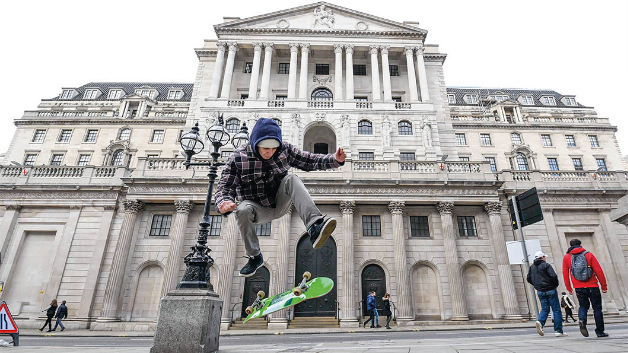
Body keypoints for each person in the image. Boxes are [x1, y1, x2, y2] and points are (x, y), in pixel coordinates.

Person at [216, 118, 346, 277]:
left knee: (292, 179)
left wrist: (334, 160)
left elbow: (308, 160)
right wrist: (224, 201)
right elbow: (225, 185)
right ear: (255, 143)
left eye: (273, 148)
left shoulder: (284, 150)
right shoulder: (238, 158)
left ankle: (314, 226)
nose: (269, 152)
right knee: (241, 209)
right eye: (265, 148)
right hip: (256, 209)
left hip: (279, 202)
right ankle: (255, 257)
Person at [562, 238, 609, 338]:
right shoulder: (588, 254)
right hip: (593, 286)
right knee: (597, 309)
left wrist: (569, 288)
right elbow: (598, 271)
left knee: (583, 306)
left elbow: (565, 274)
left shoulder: (567, 257)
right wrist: (604, 286)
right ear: (581, 245)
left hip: (579, 287)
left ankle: (582, 321)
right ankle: (600, 331)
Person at [527, 251, 566, 337]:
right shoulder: (546, 265)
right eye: (544, 257)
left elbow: (529, 278)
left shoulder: (532, 267)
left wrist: (537, 286)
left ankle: (540, 322)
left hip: (540, 291)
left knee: (545, 309)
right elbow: (553, 276)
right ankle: (558, 330)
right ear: (542, 257)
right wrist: (554, 285)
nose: (545, 258)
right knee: (556, 310)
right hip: (550, 289)